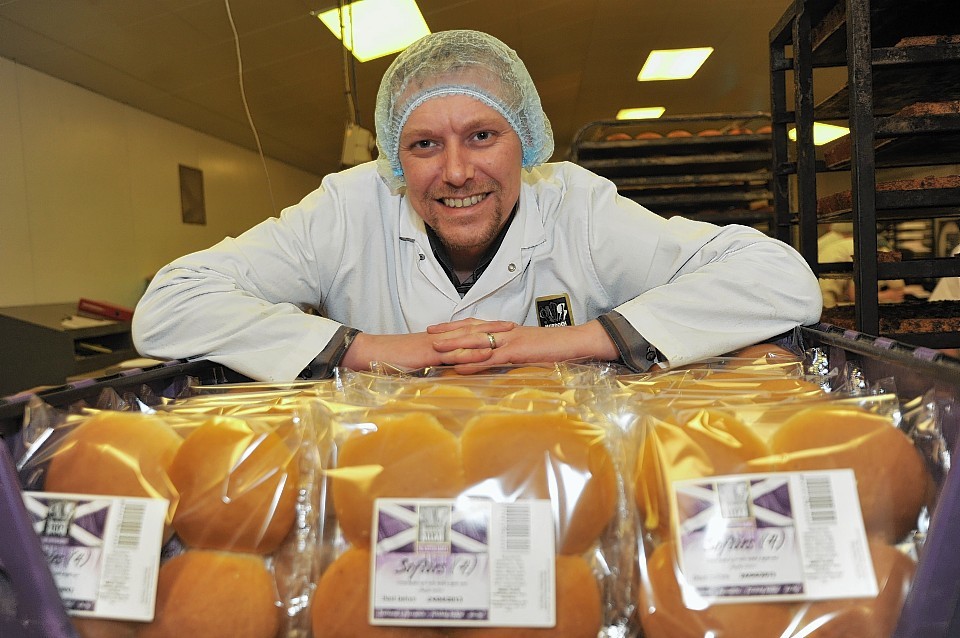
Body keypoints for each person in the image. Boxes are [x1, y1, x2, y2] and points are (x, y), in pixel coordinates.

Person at [132, 30, 822, 382]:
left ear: (525, 143)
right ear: (393, 160)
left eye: (482, 136)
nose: (456, 172)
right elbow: (171, 304)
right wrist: (369, 350)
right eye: (425, 143)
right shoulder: (347, 208)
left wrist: (557, 344)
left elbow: (780, 280)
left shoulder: (575, 206)